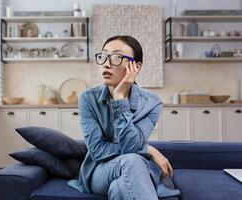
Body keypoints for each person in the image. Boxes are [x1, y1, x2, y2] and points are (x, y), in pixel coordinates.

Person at [68, 35, 180, 200]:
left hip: (133, 170)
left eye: (116, 57)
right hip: (100, 171)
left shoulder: (152, 103)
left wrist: (120, 97)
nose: (106, 63)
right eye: (103, 56)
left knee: (119, 189)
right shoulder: (88, 99)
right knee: (133, 160)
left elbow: (131, 146)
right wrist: (147, 149)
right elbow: (98, 151)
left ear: (136, 66)